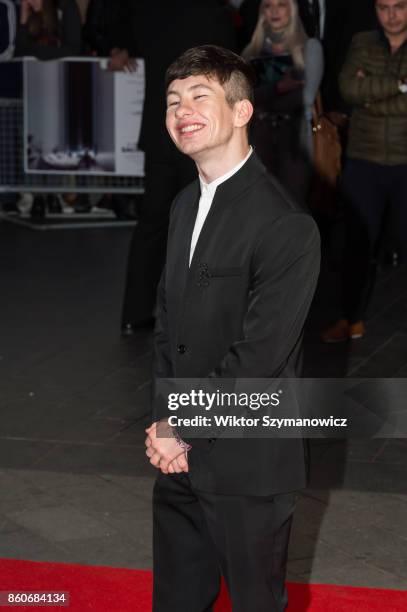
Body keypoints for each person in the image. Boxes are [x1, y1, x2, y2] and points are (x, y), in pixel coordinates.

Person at [144, 45, 320, 611]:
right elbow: (169, 330)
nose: (182, 111)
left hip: (248, 464)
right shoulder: (181, 207)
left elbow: (258, 358)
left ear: (242, 112)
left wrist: (183, 428)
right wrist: (165, 427)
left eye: (200, 96)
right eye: (172, 101)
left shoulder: (286, 225)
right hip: (180, 457)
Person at [120, 0, 237, 334]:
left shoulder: (147, 10)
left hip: (161, 129)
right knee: (203, 225)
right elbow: (226, 66)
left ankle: (135, 312)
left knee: (152, 224)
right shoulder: (210, 11)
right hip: (199, 129)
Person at [322, 0, 407, 343]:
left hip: (405, 160)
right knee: (357, 247)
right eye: (384, 7)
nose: (391, 14)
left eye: (399, 7)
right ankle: (349, 319)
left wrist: (372, 91)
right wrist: (401, 85)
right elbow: (349, 89)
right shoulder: (361, 42)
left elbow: (362, 91)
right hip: (364, 161)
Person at [242, 0, 323, 204]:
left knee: (294, 207)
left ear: (292, 9)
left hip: (295, 140)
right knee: (261, 206)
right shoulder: (250, 53)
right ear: (263, 12)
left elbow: (306, 98)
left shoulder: (309, 48)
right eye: (268, 6)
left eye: (281, 4)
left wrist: (264, 97)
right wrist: (278, 89)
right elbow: (242, 100)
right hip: (258, 139)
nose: (275, 11)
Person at [14, 0, 81, 60]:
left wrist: (36, 51)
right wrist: (23, 22)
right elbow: (19, 51)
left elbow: (74, 49)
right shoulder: (28, 11)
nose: (28, 2)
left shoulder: (66, 6)